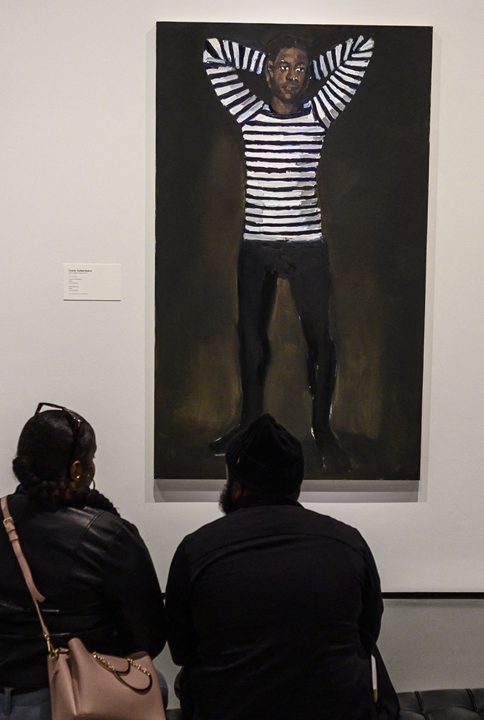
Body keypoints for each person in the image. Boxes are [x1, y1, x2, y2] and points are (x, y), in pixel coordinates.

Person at [203, 33, 375, 472]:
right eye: (283, 67)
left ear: (309, 74)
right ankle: (248, 425)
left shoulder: (319, 113)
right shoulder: (248, 112)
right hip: (257, 244)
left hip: (307, 245)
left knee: (321, 342)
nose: (291, 76)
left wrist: (309, 66)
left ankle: (323, 429)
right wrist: (268, 58)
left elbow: (362, 50)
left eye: (300, 68)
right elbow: (213, 54)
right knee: (252, 341)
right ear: (267, 72)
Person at [0, 404, 168, 719]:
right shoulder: (109, 533)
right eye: (91, 459)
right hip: (63, 701)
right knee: (158, 685)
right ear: (76, 470)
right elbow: (148, 640)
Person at [165, 413, 399, 720]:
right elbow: (368, 633)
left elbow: (181, 650)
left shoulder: (196, 549)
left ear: (237, 486)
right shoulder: (348, 542)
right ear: (296, 485)